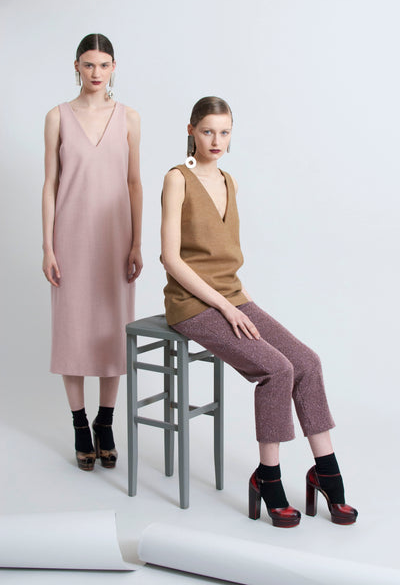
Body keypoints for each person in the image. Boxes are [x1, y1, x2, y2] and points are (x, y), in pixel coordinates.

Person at [160, 96, 357, 527]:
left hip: (233, 296)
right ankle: (268, 477)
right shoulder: (177, 178)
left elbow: (224, 261)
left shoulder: (229, 181)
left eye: (224, 132)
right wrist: (226, 307)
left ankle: (326, 472)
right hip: (192, 304)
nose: (216, 140)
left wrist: (245, 304)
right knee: (277, 369)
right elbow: (171, 259)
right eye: (208, 131)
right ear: (191, 131)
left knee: (307, 362)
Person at [42, 34, 143, 471]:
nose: (96, 73)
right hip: (70, 235)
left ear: (114, 67)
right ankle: (80, 424)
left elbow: (134, 183)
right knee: (72, 327)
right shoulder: (57, 117)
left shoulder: (129, 118)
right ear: (77, 67)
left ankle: (106, 421)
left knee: (111, 328)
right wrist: (47, 245)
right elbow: (50, 184)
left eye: (103, 65)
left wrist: (137, 241)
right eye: (88, 64)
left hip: (115, 236)